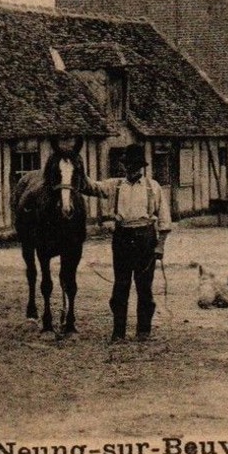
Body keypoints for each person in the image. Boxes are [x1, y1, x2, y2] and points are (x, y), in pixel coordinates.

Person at [79, 144, 171, 341]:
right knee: (121, 285)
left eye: (136, 165)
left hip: (145, 238)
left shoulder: (152, 187)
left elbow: (164, 219)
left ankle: (143, 331)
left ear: (142, 167)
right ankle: (118, 331)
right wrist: (79, 168)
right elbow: (90, 187)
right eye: (129, 165)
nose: (132, 169)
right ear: (124, 166)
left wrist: (160, 245)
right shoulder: (115, 185)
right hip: (122, 239)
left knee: (144, 286)